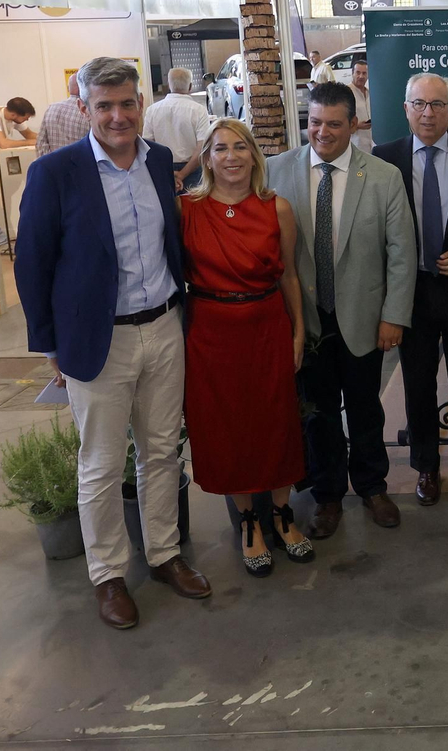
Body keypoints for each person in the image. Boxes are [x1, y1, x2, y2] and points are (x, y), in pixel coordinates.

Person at [14, 56, 211, 629]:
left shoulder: (160, 162)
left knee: (161, 451)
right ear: (84, 108)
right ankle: (108, 574)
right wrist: (50, 345)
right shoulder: (56, 173)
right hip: (99, 339)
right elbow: (33, 265)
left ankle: (165, 554)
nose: (118, 116)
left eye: (127, 103)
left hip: (165, 327)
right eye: (104, 106)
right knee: (100, 464)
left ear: (141, 102)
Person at [266, 81, 415, 535]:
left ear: (353, 124)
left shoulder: (384, 176)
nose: (322, 132)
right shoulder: (275, 171)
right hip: (304, 319)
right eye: (314, 123)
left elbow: (401, 252)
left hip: (364, 318)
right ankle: (328, 496)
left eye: (333, 124)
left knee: (366, 407)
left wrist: (394, 316)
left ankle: (372, 487)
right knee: (319, 412)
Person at [179, 118, 314, 575]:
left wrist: (298, 332)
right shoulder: (186, 211)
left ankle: (282, 514)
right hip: (210, 334)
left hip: (266, 327)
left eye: (241, 147)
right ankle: (248, 523)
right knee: (227, 427)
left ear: (255, 156)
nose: (231, 156)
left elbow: (289, 275)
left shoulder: (277, 208)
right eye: (220, 148)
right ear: (207, 158)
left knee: (276, 421)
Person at [374, 74, 448, 505]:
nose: (428, 113)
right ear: (405, 108)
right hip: (412, 292)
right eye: (419, 104)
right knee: (418, 383)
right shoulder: (385, 159)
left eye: (438, 104)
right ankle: (425, 466)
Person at [142, 67, 217, 192]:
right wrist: (182, 174)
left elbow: (147, 145)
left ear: (168, 85)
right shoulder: (199, 110)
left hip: (162, 167)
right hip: (192, 169)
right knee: (193, 203)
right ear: (190, 86)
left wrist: (166, 172)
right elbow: (202, 148)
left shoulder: (152, 110)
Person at [35, 75, 89, 156]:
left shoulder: (51, 108)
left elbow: (40, 143)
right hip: (82, 161)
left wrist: (47, 162)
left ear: (68, 88)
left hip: (54, 162)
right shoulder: (88, 112)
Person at [349, 59, 373, 154]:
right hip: (355, 143)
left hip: (371, 143)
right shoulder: (346, 93)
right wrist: (357, 125)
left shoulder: (370, 93)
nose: (361, 76)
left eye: (364, 73)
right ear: (352, 74)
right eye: (358, 73)